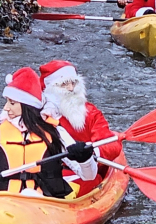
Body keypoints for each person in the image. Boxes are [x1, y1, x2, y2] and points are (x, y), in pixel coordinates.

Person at [0, 67, 98, 199]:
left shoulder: (54, 133)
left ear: (27, 107)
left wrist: (84, 158)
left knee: (28, 194)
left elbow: (89, 176)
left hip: (45, 202)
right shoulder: (4, 132)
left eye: (12, 103)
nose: (6, 108)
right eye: (7, 102)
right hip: (7, 200)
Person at [39, 60, 121, 196]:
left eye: (74, 83)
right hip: (43, 176)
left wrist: (90, 153)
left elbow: (112, 144)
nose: (71, 89)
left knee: (89, 183)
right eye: (64, 84)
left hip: (81, 174)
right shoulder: (36, 114)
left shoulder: (90, 113)